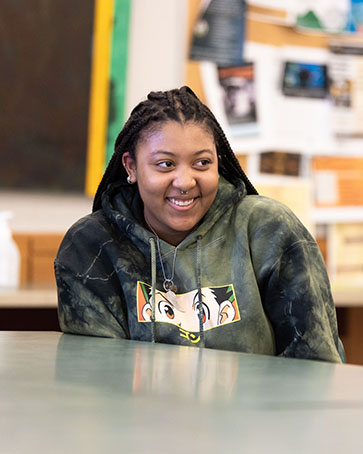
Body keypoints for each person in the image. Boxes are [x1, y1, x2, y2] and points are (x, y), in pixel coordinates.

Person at [55, 86, 344, 362]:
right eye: (165, 164)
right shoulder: (92, 245)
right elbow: (95, 380)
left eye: (202, 163)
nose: (185, 182)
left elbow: (316, 365)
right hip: (137, 413)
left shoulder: (270, 230)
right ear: (131, 166)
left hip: (254, 413)